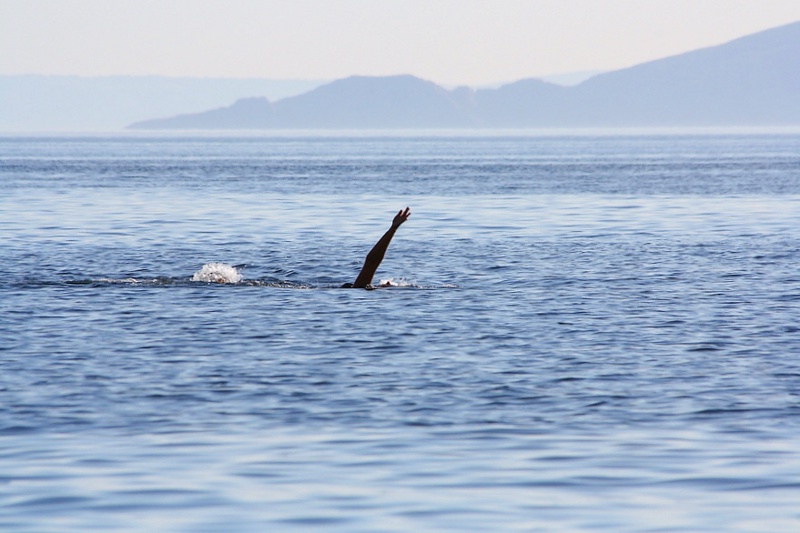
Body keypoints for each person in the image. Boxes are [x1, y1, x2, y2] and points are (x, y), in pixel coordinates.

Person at [342, 207, 411, 289]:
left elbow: (371, 262)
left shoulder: (358, 288)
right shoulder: (359, 287)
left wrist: (393, 228)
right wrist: (393, 228)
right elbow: (371, 262)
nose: (387, 283)